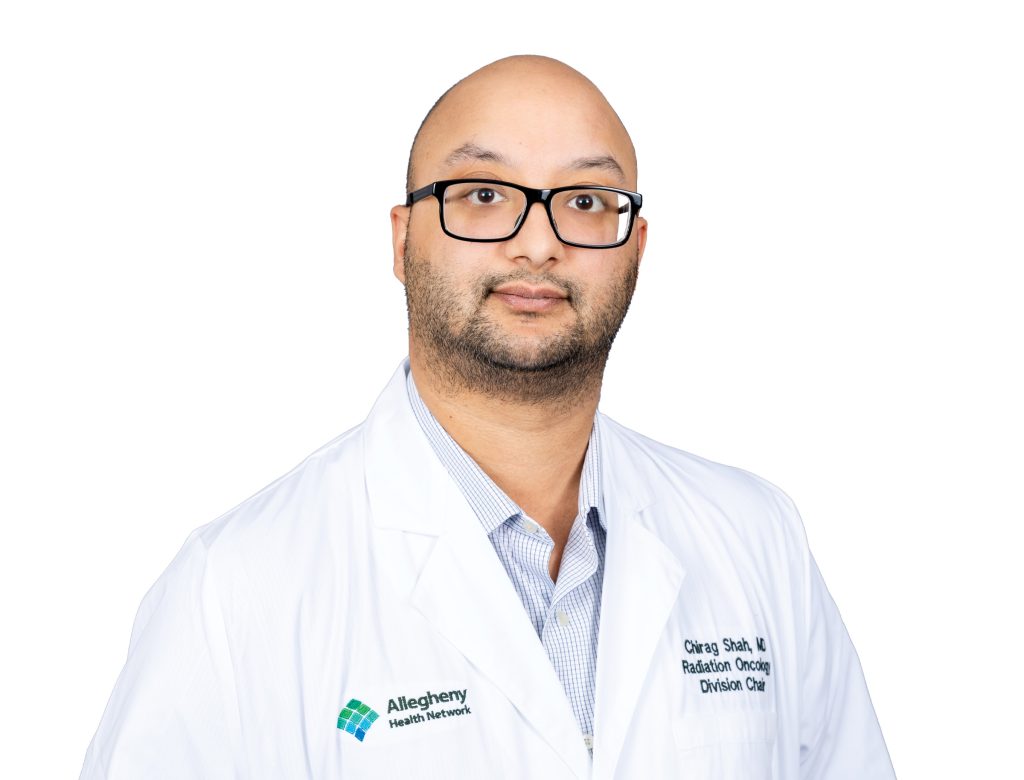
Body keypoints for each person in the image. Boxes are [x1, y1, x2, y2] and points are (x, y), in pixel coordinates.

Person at [80, 55, 895, 779]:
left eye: (585, 199)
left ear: (636, 248)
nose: (538, 244)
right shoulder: (237, 588)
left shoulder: (756, 538)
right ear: (402, 241)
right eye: (482, 194)